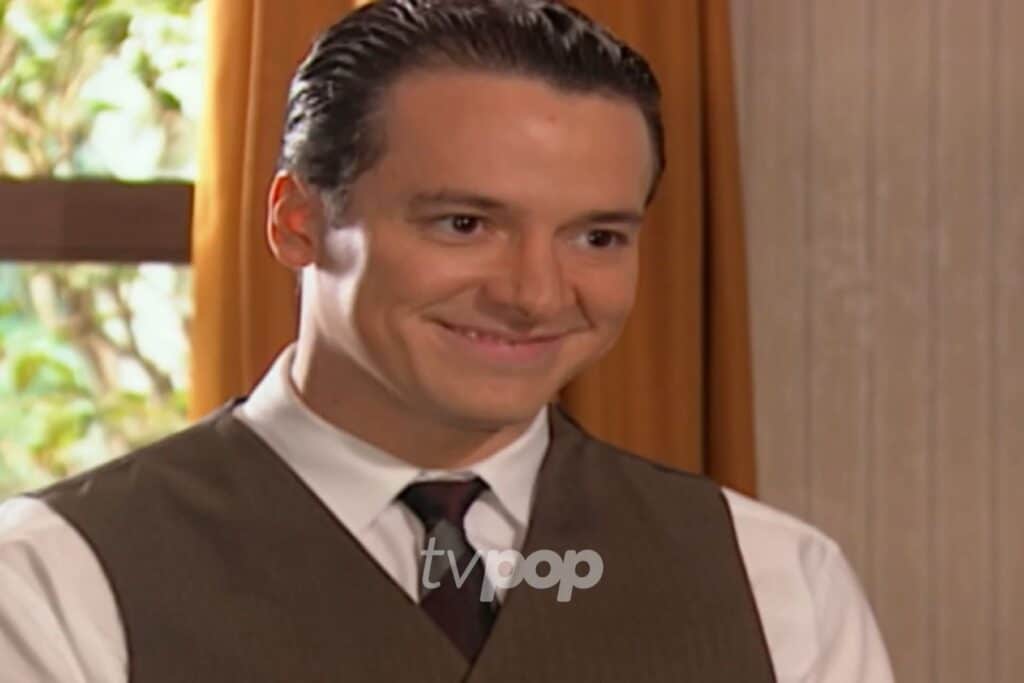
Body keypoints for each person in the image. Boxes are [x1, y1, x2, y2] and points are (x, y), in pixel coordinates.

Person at [0, 0, 894, 681]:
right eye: (465, 223)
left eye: (596, 237)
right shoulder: (54, 580)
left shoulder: (781, 582)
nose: (534, 294)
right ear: (298, 221)